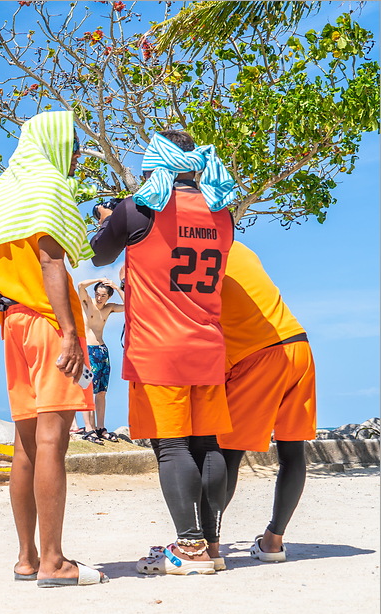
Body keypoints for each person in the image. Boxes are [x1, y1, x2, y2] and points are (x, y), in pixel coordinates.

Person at [90, 130, 237, 575]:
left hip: (159, 349)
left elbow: (98, 254)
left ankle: (188, 550)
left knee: (171, 448)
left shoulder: (137, 211)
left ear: (158, 163)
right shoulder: (222, 212)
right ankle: (211, 546)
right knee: (207, 445)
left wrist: (110, 216)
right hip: (207, 345)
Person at [0, 110, 106, 587]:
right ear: (53, 143)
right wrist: (71, 332)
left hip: (12, 322)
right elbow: (53, 261)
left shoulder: (1, 193)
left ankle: (27, 558)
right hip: (48, 323)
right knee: (54, 441)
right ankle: (55, 563)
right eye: (72, 146)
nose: (75, 156)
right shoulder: (47, 185)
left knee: (26, 445)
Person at [212, 241, 315, 563]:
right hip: (298, 345)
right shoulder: (240, 247)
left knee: (227, 451)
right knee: (292, 451)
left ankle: (207, 547)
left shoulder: (196, 252)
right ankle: (273, 542)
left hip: (257, 355)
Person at [72, 277, 124, 444]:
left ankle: (100, 428)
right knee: (86, 389)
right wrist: (99, 279)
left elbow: (132, 306)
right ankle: (89, 429)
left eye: (103, 295)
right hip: (88, 350)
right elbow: (80, 285)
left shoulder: (109, 308)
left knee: (101, 392)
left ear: (108, 297)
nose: (99, 298)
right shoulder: (88, 303)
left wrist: (116, 287)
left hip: (102, 351)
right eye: (97, 294)